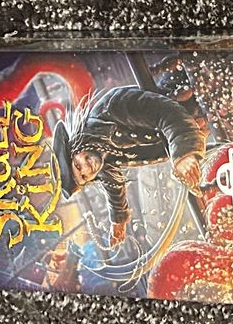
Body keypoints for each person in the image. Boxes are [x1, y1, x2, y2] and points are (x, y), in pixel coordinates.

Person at [52, 84, 207, 246]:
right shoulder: (99, 154)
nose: (87, 169)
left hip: (197, 98)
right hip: (201, 126)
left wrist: (184, 154)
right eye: (84, 177)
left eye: (78, 165)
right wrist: (118, 221)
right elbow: (112, 184)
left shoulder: (111, 109)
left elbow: (166, 113)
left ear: (75, 149)